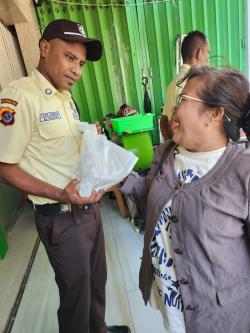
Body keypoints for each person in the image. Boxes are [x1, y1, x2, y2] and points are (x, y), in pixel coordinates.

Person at [0, 19, 130, 333]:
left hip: (88, 208)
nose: (76, 70)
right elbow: (5, 166)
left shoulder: (64, 97)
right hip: (60, 217)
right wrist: (62, 194)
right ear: (44, 48)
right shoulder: (20, 97)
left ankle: (98, 329)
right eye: (70, 58)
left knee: (96, 281)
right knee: (76, 295)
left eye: (82, 64)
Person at [119, 66, 250, 333]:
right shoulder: (167, 151)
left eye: (183, 100)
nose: (173, 110)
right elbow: (148, 192)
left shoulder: (243, 173)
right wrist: (117, 173)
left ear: (214, 114)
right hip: (172, 302)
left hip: (219, 318)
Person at [160, 30, 210, 141]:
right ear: (199, 53)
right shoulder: (198, 82)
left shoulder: (174, 83)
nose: (208, 59)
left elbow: (163, 121)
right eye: (208, 53)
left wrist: (173, 147)